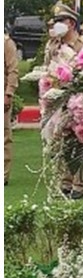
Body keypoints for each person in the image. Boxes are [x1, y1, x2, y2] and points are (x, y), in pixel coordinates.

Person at [46, 3, 83, 199]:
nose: (57, 25)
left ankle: (80, 185)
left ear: (71, 23)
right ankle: (65, 181)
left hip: (78, 99)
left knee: (81, 140)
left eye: (61, 21)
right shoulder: (54, 46)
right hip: (58, 99)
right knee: (62, 141)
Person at [5, 33, 19, 186]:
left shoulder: (6, 43)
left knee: (4, 136)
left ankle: (3, 174)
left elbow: (13, 70)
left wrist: (8, 93)